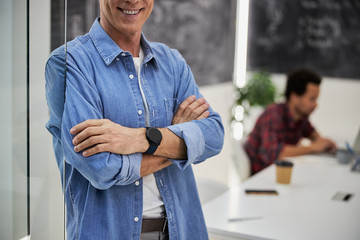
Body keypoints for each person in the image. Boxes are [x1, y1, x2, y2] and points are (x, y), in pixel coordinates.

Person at [45, 0, 224, 239]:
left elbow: (214, 135)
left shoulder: (171, 62)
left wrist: (138, 138)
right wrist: (177, 137)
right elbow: (101, 167)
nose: (132, 1)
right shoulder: (70, 63)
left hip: (181, 231)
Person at [244, 69, 336, 175]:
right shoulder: (273, 115)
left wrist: (326, 144)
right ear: (294, 97)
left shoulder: (301, 118)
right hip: (263, 177)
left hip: (284, 173)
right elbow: (272, 153)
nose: (316, 105)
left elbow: (315, 137)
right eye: (312, 99)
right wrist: (313, 147)